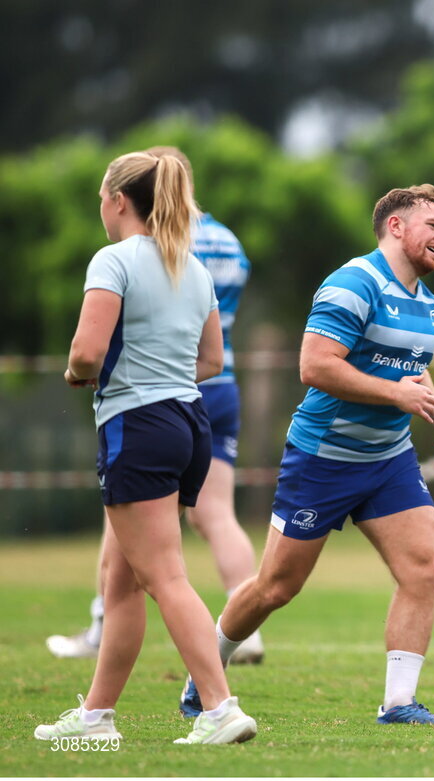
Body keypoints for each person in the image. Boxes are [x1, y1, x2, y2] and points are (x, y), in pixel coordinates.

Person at [178, 184, 434, 727]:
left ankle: (399, 704)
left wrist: (432, 406)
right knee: (276, 586)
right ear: (396, 227)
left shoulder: (429, 305)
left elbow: (409, 365)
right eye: (432, 225)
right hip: (324, 458)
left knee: (423, 569)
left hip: (388, 459)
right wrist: (398, 394)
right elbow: (315, 366)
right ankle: (207, 668)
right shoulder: (352, 283)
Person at [35, 151, 257, 744]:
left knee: (164, 577)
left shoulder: (114, 259)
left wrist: (78, 375)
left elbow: (85, 353)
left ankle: (219, 709)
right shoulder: (192, 265)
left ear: (116, 201)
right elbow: (212, 360)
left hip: (138, 423)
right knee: (121, 579)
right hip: (190, 421)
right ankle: (95, 717)